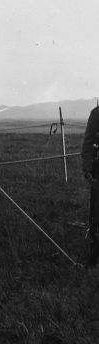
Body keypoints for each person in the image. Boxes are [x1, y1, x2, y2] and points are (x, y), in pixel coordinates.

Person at [82, 105, 99, 267]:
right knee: (96, 215)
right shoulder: (97, 113)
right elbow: (88, 143)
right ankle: (93, 257)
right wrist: (87, 169)